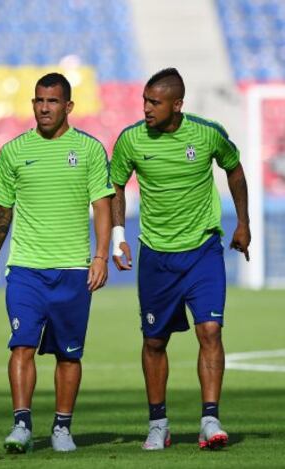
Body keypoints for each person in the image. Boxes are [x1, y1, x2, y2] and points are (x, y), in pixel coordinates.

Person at [110, 68, 251, 451]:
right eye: (144, 100)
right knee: (155, 341)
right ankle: (159, 424)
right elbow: (116, 186)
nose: (146, 108)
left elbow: (234, 168)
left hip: (203, 251)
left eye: (154, 102)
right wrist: (118, 236)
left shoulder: (207, 133)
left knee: (210, 332)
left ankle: (210, 419)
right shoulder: (131, 140)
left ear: (177, 104)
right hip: (156, 255)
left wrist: (243, 222)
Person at [0, 73, 114, 453]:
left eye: (52, 101)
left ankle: (62, 429)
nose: (44, 108)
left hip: (73, 269)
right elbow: (1, 212)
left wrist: (100, 256)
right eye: (39, 100)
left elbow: (102, 205)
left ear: (68, 106)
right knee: (21, 345)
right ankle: (21, 425)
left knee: (68, 354)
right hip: (25, 269)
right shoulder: (13, 151)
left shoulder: (88, 149)